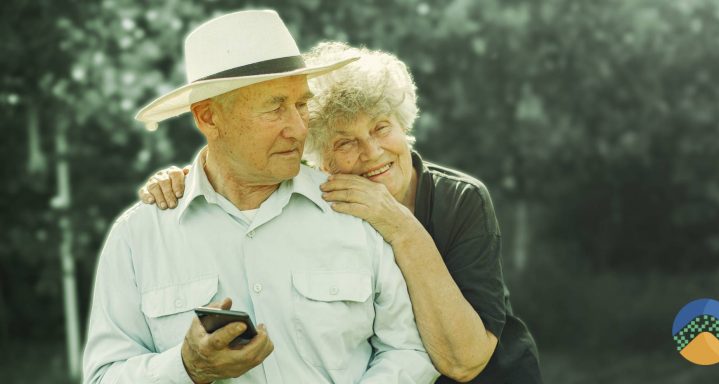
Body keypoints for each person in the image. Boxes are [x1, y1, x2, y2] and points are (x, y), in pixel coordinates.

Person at [141, 42, 543, 383]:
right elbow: (239, 168)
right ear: (319, 160)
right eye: (345, 142)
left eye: (382, 128)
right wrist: (187, 180)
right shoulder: (324, 200)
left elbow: (465, 361)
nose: (372, 153)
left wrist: (400, 224)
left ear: (404, 124)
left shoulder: (461, 199)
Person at [82, 11, 438, 384]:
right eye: (274, 107)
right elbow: (104, 376)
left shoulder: (355, 208)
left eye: (302, 104)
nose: (300, 128)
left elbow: (408, 351)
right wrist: (186, 369)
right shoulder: (138, 238)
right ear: (208, 118)